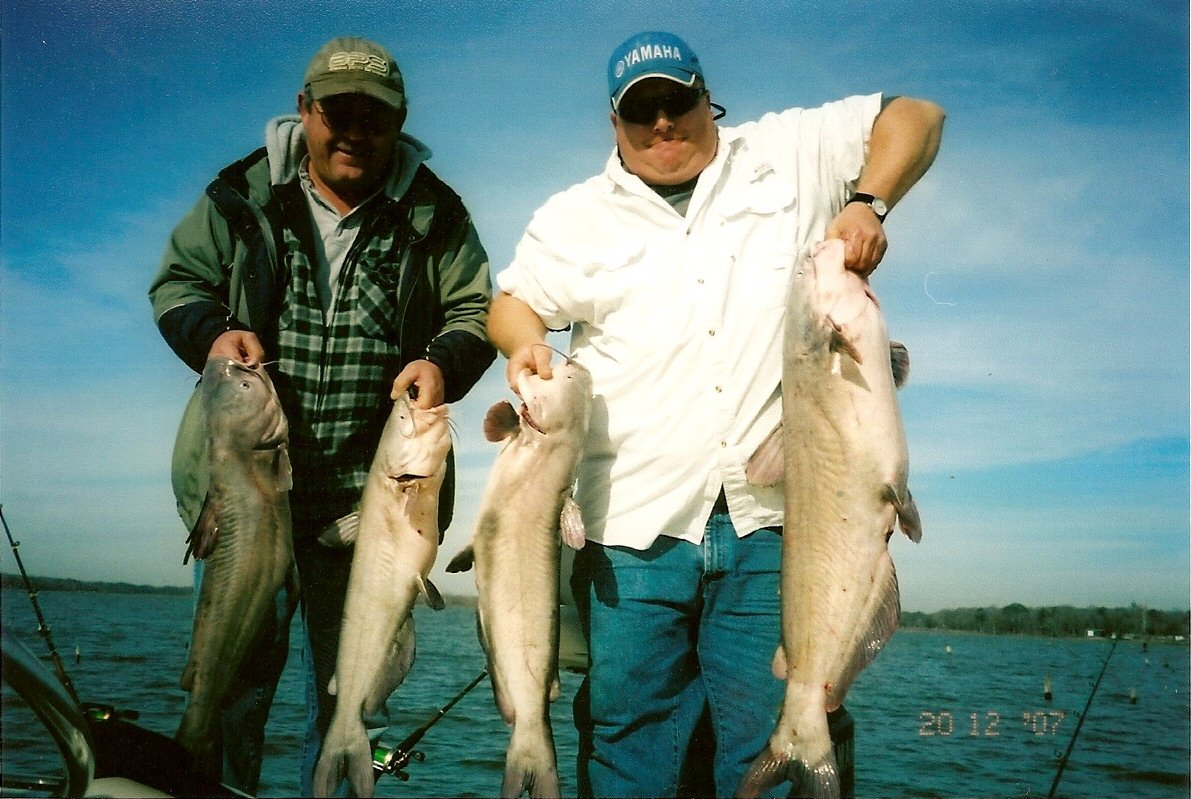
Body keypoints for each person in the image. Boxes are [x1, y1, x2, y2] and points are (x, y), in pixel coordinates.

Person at [488, 31, 944, 798]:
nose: (663, 124)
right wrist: (527, 342)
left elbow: (916, 115)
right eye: (643, 112)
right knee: (627, 747)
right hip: (631, 529)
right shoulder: (573, 217)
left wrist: (866, 200)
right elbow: (511, 303)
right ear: (615, 125)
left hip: (778, 524)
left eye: (678, 101)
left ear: (708, 98)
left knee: (773, 736)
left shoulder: (785, 150)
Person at [149, 36, 494, 794]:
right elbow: (176, 283)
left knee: (346, 701)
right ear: (304, 111)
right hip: (248, 489)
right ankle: (200, 767)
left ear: (397, 123)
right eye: (336, 112)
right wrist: (212, 334)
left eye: (373, 116)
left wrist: (440, 359)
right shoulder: (240, 192)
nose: (352, 132)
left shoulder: (437, 212)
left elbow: (474, 309)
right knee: (231, 693)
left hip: (365, 504)